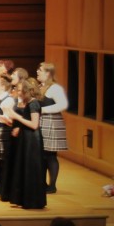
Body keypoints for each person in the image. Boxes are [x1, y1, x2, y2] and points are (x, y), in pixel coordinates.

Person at [2, 78, 47, 209]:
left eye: (21, 91)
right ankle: (24, 199)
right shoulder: (28, 103)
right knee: (24, 168)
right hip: (26, 139)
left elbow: (34, 125)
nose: (18, 93)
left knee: (31, 169)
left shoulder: (34, 104)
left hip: (32, 140)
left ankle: (32, 201)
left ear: (27, 91)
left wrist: (16, 117)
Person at [37, 62, 68, 194]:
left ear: (48, 73)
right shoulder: (40, 87)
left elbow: (63, 105)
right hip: (42, 122)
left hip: (51, 123)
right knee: (42, 155)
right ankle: (42, 183)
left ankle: (52, 184)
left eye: (40, 70)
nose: (37, 72)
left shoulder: (55, 88)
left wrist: (42, 110)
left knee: (50, 155)